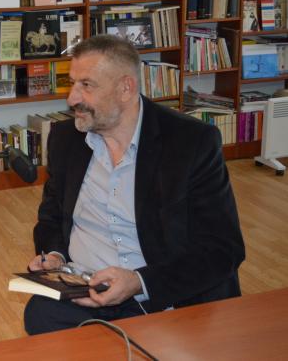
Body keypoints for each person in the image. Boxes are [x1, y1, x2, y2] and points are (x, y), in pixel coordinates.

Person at [24, 35, 245, 335]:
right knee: (39, 315)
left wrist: (140, 282)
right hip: (85, 291)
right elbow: (51, 217)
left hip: (161, 294)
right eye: (72, 83)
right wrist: (55, 256)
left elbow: (223, 249)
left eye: (86, 85)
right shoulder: (66, 139)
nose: (72, 98)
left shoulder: (191, 143)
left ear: (125, 88)